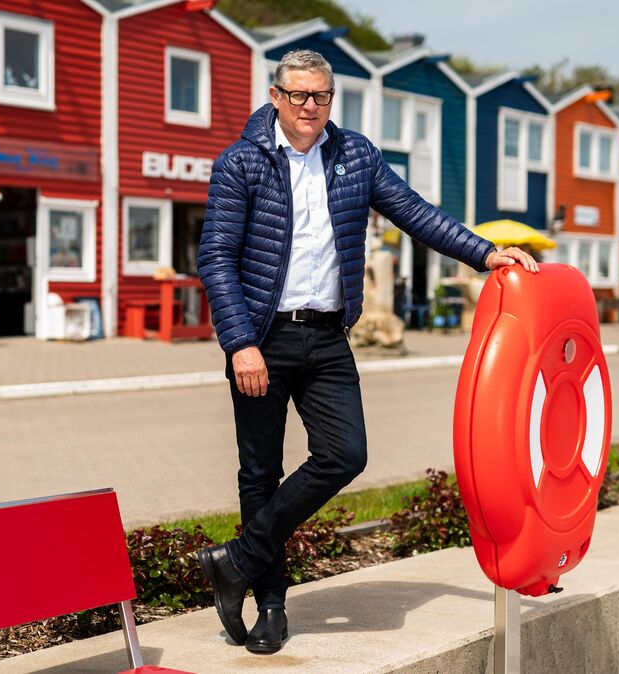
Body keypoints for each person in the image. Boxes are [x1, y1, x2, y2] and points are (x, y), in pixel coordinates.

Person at [196, 49, 538, 655]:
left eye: (321, 97)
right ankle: (270, 605)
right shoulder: (241, 163)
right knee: (259, 472)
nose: (309, 107)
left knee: (345, 453)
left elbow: (413, 213)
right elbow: (216, 258)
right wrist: (240, 343)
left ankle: (237, 560)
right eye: (298, 95)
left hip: (326, 336)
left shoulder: (355, 155)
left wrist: (485, 254)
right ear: (275, 96)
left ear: (333, 99)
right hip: (262, 339)